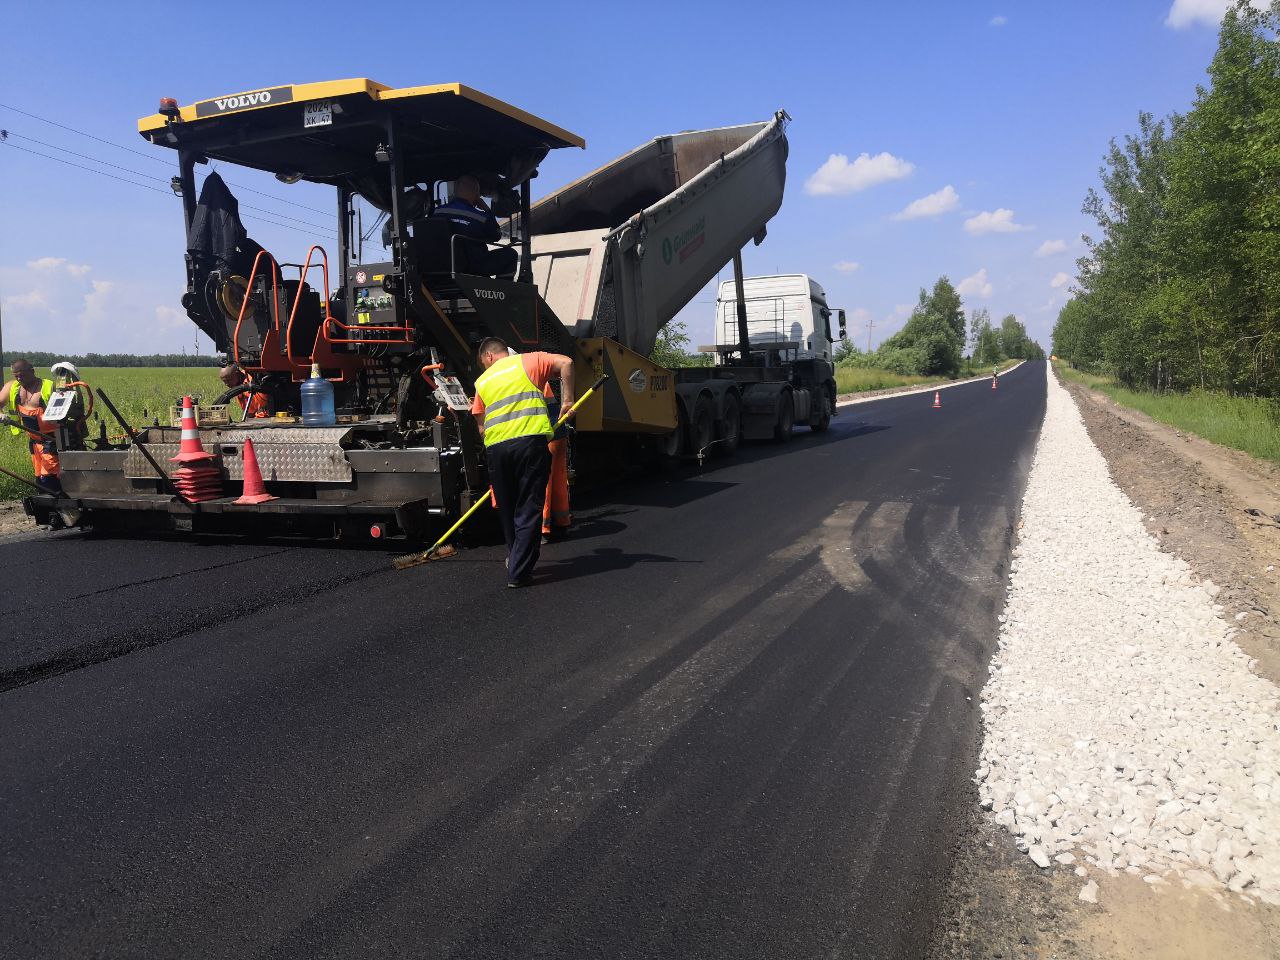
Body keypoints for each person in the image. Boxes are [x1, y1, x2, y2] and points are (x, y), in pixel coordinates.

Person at [471, 338, 574, 588]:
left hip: (496, 450)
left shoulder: (482, 382)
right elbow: (567, 363)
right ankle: (518, 572)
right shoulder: (529, 360)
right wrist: (567, 400)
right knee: (528, 506)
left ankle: (515, 556)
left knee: (508, 508)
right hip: (529, 444)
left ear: (489, 356)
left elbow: (481, 425)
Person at [431, 175, 518, 279]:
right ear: (476, 194)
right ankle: (504, 292)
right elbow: (496, 235)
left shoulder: (437, 212)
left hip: (440, 266)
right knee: (511, 255)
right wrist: (487, 210)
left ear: (456, 192)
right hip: (473, 266)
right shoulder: (480, 217)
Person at [0, 359, 61, 494]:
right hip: (34, 443)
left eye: (22, 375)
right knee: (39, 478)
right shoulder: (12, 387)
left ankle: (63, 510)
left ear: (32, 371)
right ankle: (47, 509)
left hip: (51, 441)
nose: (19, 378)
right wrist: (1, 415)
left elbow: (65, 413)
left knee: (51, 479)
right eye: (16, 376)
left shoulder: (48, 387)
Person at [542, 385, 572, 543]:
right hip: (557, 431)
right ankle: (561, 524)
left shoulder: (519, 378)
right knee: (558, 481)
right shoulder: (542, 381)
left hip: (543, 434)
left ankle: (543, 528)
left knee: (542, 483)